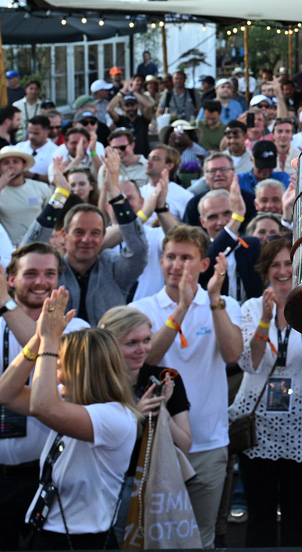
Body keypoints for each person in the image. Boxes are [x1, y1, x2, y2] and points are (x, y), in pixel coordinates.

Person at [129, 225, 241, 548]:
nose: (176, 265)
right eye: (170, 257)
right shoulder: (142, 309)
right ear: (161, 261)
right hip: (156, 444)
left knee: (202, 539)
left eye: (186, 258)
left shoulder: (224, 304)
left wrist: (214, 300)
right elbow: (146, 358)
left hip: (210, 442)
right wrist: (181, 309)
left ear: (204, 265)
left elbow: (233, 354)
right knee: (155, 538)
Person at [0, 288, 139, 550]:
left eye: (59, 366)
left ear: (82, 370)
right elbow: (6, 393)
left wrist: (51, 341)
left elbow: (43, 407)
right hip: (45, 533)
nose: (56, 376)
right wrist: (38, 341)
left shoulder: (116, 417)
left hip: (80, 542)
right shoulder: (70, 403)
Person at [228, 238, 302, 547]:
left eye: (289, 264)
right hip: (258, 424)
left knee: (297, 512)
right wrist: (264, 319)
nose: (283, 270)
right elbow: (249, 361)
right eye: (276, 264)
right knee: (259, 514)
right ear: (265, 271)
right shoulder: (250, 307)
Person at [0, 244, 89, 550]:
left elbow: (48, 350)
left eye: (49, 274)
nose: (41, 282)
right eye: (31, 274)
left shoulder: (75, 327)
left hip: (44, 479)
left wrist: (4, 305)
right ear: (11, 279)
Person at [22, 153, 146, 324]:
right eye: (79, 232)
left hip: (108, 349)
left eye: (95, 233)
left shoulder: (115, 270)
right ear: (64, 235)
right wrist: (60, 195)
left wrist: (115, 193)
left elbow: (138, 249)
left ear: (103, 237)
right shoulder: (51, 271)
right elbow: (26, 253)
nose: (86, 239)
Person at [97, 306, 192, 454]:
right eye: (131, 343)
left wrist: (162, 411)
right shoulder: (94, 383)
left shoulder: (166, 378)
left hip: (156, 475)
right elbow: (99, 445)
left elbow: (185, 445)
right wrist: (135, 416)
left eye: (147, 340)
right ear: (109, 345)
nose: (142, 349)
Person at [0, 146, 51, 246]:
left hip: (38, 246)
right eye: (6, 163)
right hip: (8, 248)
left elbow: (52, 215)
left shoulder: (41, 187)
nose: (11, 166)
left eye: (15, 162)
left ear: (23, 165)